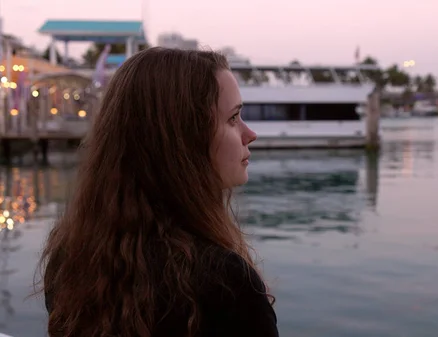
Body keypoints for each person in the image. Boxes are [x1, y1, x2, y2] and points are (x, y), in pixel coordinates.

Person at [36, 47, 278, 337]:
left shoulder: (69, 260)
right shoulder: (225, 282)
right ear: (185, 138)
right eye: (233, 118)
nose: (250, 134)